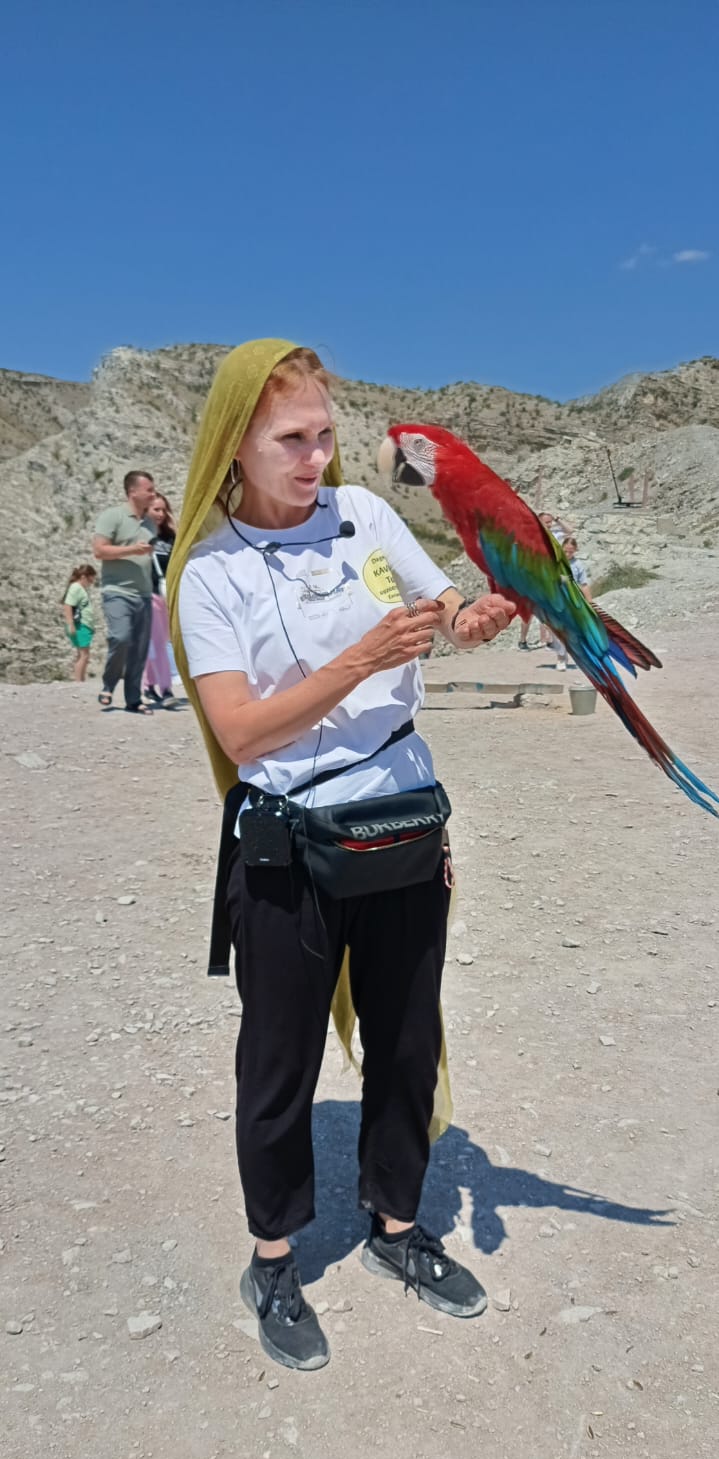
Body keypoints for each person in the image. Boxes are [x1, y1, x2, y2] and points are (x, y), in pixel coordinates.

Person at [168, 339, 515, 1373]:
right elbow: (240, 732)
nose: (316, 456)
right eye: (292, 439)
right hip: (287, 846)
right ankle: (272, 1256)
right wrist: (358, 658)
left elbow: (436, 610)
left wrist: (469, 619)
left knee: (408, 1037)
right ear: (235, 444)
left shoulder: (365, 516)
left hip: (399, 816)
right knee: (279, 1061)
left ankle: (397, 1228)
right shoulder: (209, 571)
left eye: (323, 434)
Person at [93, 470, 156, 713]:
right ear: (133, 491)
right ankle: (108, 685)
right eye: (149, 489)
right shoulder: (113, 516)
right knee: (121, 638)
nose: (153, 493)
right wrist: (131, 551)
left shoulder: (150, 523)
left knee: (139, 649)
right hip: (117, 591)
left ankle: (133, 699)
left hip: (144, 594)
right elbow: (99, 551)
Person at [143, 492, 178, 708]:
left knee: (159, 642)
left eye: (164, 510)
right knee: (158, 642)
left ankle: (148, 685)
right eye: (156, 509)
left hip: (168, 596)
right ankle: (166, 689)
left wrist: (174, 525)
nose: (161, 514)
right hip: (148, 595)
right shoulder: (137, 536)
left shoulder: (170, 538)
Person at [551, 534, 592, 669]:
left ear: (575, 550)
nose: (568, 553)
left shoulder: (578, 565)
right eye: (565, 551)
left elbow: (584, 584)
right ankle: (561, 658)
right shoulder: (554, 563)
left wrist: (590, 603)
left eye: (571, 551)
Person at [62, 563, 97, 681]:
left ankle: (81, 680)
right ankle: (78, 682)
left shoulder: (79, 588)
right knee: (84, 655)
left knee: (82, 654)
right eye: (90, 580)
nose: (91, 583)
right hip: (80, 626)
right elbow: (67, 605)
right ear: (83, 577)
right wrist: (70, 624)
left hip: (84, 626)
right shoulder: (76, 587)